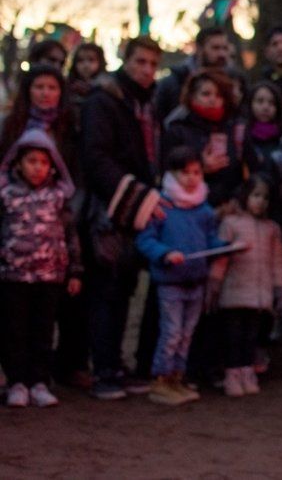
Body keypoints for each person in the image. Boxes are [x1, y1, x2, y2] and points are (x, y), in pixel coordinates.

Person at [81, 36, 164, 400]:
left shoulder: (148, 104)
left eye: (152, 63)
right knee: (108, 291)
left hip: (140, 208)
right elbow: (96, 158)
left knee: (126, 289)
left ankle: (120, 364)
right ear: (125, 61)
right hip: (110, 209)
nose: (146, 70)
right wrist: (135, 195)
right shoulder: (105, 102)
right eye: (140, 62)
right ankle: (105, 370)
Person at [136, 146, 226, 406]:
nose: (191, 178)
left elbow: (210, 240)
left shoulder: (204, 209)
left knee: (187, 333)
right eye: (184, 172)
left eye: (196, 172)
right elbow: (145, 240)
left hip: (196, 279)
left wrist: (226, 247)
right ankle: (161, 379)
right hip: (170, 281)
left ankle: (177, 377)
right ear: (172, 174)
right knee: (172, 332)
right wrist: (165, 254)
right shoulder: (161, 206)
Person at [0, 129, 82, 408]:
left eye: (44, 162)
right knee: (14, 331)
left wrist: (74, 271)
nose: (37, 168)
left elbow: (71, 235)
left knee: (43, 331)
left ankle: (39, 382)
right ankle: (17, 383)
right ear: (18, 163)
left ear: (53, 165)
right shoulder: (6, 195)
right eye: (31, 161)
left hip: (50, 277)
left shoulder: (58, 197)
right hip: (13, 277)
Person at [209, 175, 282, 397]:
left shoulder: (272, 229)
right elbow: (221, 258)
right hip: (234, 294)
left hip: (259, 296)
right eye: (256, 195)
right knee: (233, 336)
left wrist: (279, 288)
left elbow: (277, 263)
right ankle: (232, 374)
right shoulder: (230, 224)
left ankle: (246, 372)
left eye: (265, 197)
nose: (260, 202)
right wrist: (214, 284)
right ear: (245, 196)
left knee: (250, 337)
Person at [162, 69, 256, 210]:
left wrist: (239, 198)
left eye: (218, 95)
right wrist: (200, 169)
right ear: (192, 96)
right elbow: (166, 172)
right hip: (189, 208)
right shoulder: (177, 130)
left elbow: (253, 167)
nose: (213, 99)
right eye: (206, 94)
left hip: (231, 207)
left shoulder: (235, 128)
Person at [154, 26, 232, 121]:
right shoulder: (174, 82)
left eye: (225, 48)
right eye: (215, 48)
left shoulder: (235, 81)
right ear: (199, 48)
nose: (222, 54)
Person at [66, 43, 107, 129]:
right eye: (80, 60)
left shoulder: (107, 89)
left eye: (91, 60)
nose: (86, 65)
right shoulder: (68, 89)